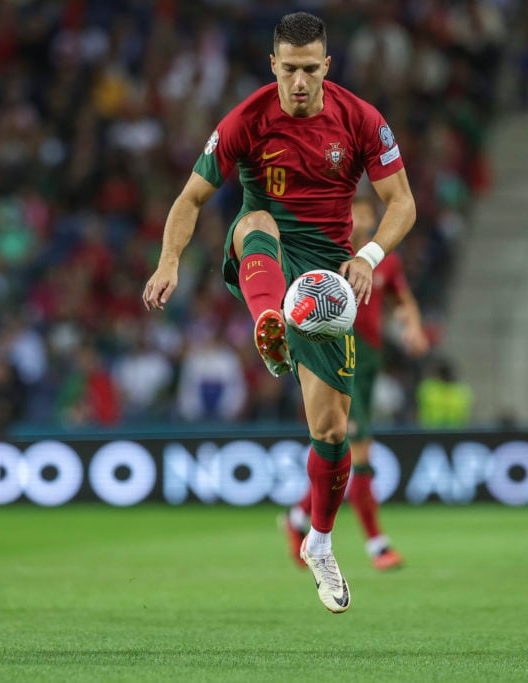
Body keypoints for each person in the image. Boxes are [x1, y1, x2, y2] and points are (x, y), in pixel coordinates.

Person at [143, 12, 416, 613]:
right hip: (267, 255)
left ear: (327, 66)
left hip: (327, 280)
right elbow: (190, 198)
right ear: (273, 65)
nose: (298, 81)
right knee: (254, 218)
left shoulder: (361, 119)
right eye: (288, 69)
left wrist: (369, 255)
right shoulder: (246, 119)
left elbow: (402, 203)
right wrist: (169, 262)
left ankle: (319, 540)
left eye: (309, 69)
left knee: (331, 430)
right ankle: (269, 322)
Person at [283, 194, 428, 571]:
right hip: (340, 359)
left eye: (366, 213)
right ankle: (378, 546)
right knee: (359, 452)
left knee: (348, 451)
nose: (361, 219)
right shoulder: (329, 258)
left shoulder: (384, 261)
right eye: (355, 213)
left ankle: (299, 517)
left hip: (370, 363)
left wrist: (412, 327)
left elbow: (403, 300)